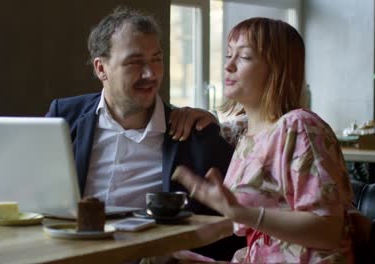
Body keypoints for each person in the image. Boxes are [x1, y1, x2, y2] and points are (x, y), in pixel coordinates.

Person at [46, 7, 244, 261]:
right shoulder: (65, 116)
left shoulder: (196, 136)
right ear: (101, 69)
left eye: (157, 59)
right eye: (135, 62)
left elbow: (235, 228)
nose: (150, 74)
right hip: (65, 253)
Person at [172, 17, 355, 263]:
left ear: (278, 68)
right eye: (228, 55)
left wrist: (242, 213)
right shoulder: (242, 131)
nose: (229, 66)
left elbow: (329, 231)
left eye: (244, 57)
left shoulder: (300, 127)